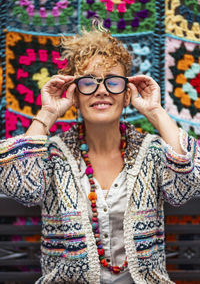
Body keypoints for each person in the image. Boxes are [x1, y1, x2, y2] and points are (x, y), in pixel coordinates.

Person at [0, 21, 199, 284]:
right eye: (89, 82)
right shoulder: (52, 155)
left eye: (113, 82)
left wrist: (155, 111)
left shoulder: (151, 151)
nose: (102, 90)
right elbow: (19, 188)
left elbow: (189, 183)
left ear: (126, 95)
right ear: (74, 95)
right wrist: (47, 114)